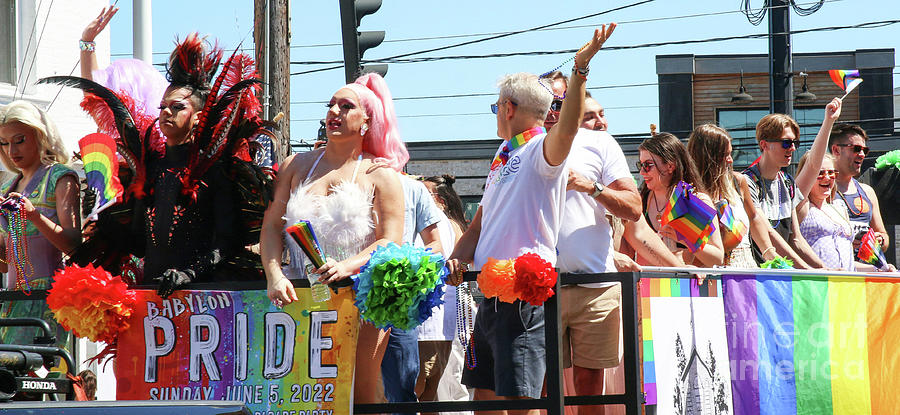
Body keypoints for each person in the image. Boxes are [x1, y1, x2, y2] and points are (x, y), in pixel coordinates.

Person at [447, 24, 615, 413]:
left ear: (507, 108)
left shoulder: (542, 147)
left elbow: (568, 127)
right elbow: (477, 226)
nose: (496, 115)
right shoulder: (503, 154)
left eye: (496, 108)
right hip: (490, 289)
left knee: (519, 401)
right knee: (484, 398)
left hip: (523, 291)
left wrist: (580, 70)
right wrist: (457, 256)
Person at [260, 72, 406, 404]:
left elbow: (391, 240)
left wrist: (347, 266)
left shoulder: (381, 175)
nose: (334, 113)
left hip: (359, 302)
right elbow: (270, 227)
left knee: (361, 397)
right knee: (300, 396)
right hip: (299, 300)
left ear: (366, 121)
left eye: (345, 106)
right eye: (330, 105)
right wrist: (274, 274)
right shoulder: (295, 165)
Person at [540, 71, 641, 413]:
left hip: (595, 285)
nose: (553, 110)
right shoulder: (522, 147)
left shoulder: (599, 143)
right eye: (545, 102)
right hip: (538, 286)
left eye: (559, 102)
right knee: (538, 385)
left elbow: (634, 209)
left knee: (589, 387)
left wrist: (591, 187)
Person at [0, 100, 81, 350]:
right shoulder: (7, 187)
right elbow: (4, 265)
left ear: (40, 135)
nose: (11, 149)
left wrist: (34, 215)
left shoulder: (60, 177)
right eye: (4, 143)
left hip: (49, 298)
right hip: (13, 301)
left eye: (20, 139)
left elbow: (74, 245)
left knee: (38, 378)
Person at [742, 99, 842, 269]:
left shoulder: (787, 182)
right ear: (764, 144)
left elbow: (795, 239)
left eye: (795, 143)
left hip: (782, 273)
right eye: (786, 143)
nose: (793, 148)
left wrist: (824, 269)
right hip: (756, 274)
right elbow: (770, 234)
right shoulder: (748, 181)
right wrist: (809, 270)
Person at [382, 173, 444, 411]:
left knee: (402, 388)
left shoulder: (412, 188)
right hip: (343, 298)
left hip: (398, 303)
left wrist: (409, 268)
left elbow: (435, 243)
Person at [687, 124, 778, 268]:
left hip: (746, 268)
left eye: (731, 153)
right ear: (706, 157)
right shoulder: (690, 193)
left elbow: (754, 218)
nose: (730, 160)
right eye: (724, 155)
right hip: (712, 276)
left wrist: (770, 254)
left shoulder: (738, 181)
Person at [419, 175, 472, 412]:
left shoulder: (447, 225)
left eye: (425, 194)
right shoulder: (450, 224)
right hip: (449, 308)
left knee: (449, 377)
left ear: (439, 200)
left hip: (449, 307)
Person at [638, 132, 725, 267]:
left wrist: (685, 238)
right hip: (646, 284)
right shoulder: (641, 201)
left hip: (681, 285)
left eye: (648, 165)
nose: (642, 172)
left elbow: (717, 258)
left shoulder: (694, 200)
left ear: (670, 166)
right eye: (641, 165)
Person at [829, 123, 890, 253]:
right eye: (856, 149)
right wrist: (846, 243)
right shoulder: (823, 189)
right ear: (836, 150)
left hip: (870, 268)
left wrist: (879, 240)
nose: (862, 154)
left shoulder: (867, 191)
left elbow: (883, 236)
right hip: (840, 269)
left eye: (865, 150)